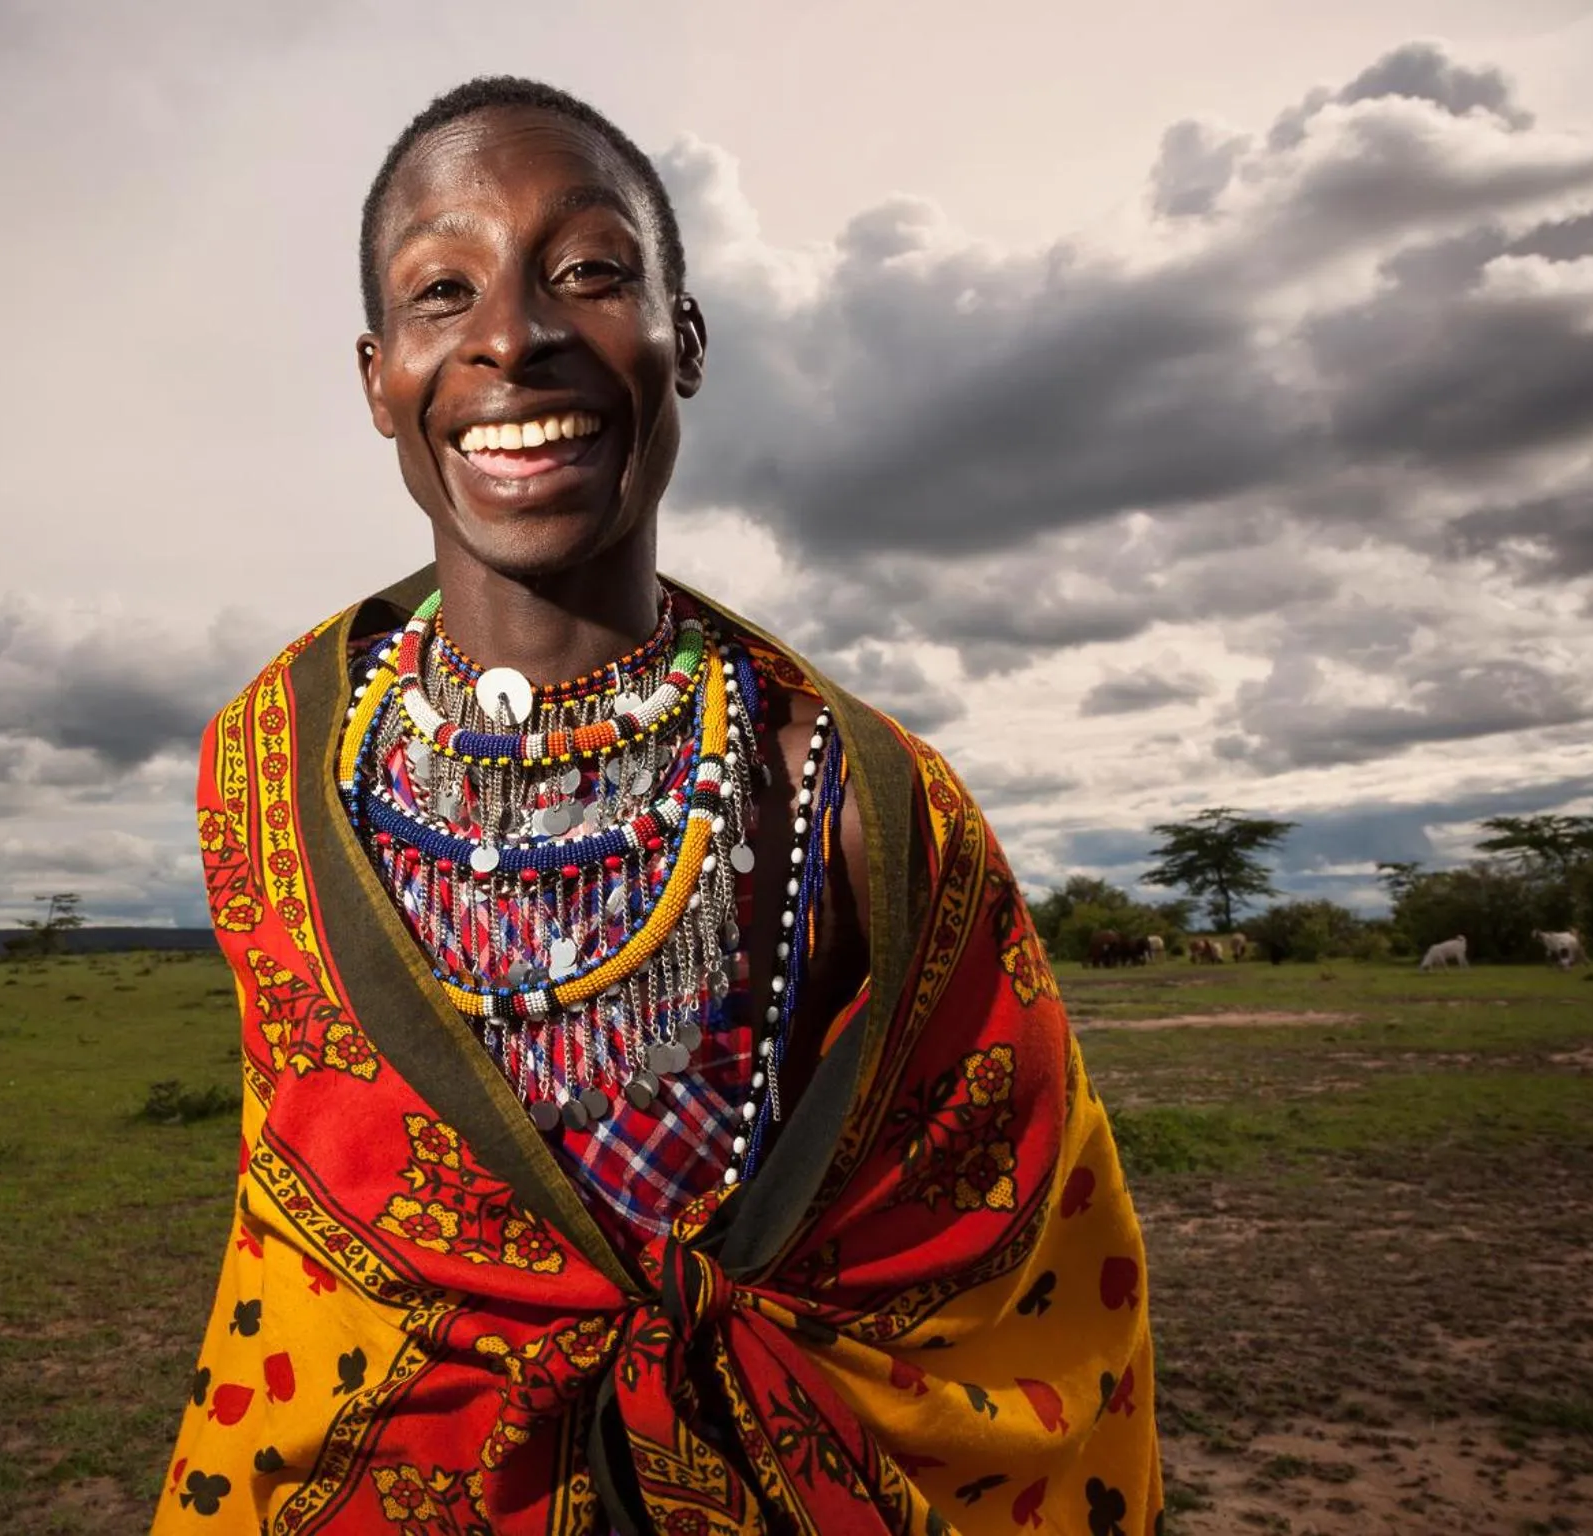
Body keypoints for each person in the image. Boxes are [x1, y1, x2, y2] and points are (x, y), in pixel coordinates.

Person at [153, 76, 1160, 1536]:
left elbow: (1015, 1260)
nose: (516, 332)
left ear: (681, 339)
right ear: (379, 376)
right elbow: (307, 1250)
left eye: (590, 271)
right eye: (446, 291)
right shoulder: (274, 771)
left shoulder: (852, 797)